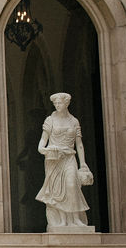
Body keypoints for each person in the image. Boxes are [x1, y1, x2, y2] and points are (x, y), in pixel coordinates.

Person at [35, 92, 91, 229]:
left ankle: (76, 219)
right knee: (57, 191)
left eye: (60, 103)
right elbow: (42, 142)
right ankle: (62, 221)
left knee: (71, 186)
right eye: (56, 103)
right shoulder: (50, 120)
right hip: (54, 159)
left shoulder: (74, 121)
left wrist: (83, 163)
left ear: (66, 104)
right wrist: (44, 149)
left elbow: (79, 144)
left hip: (69, 157)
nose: (57, 105)